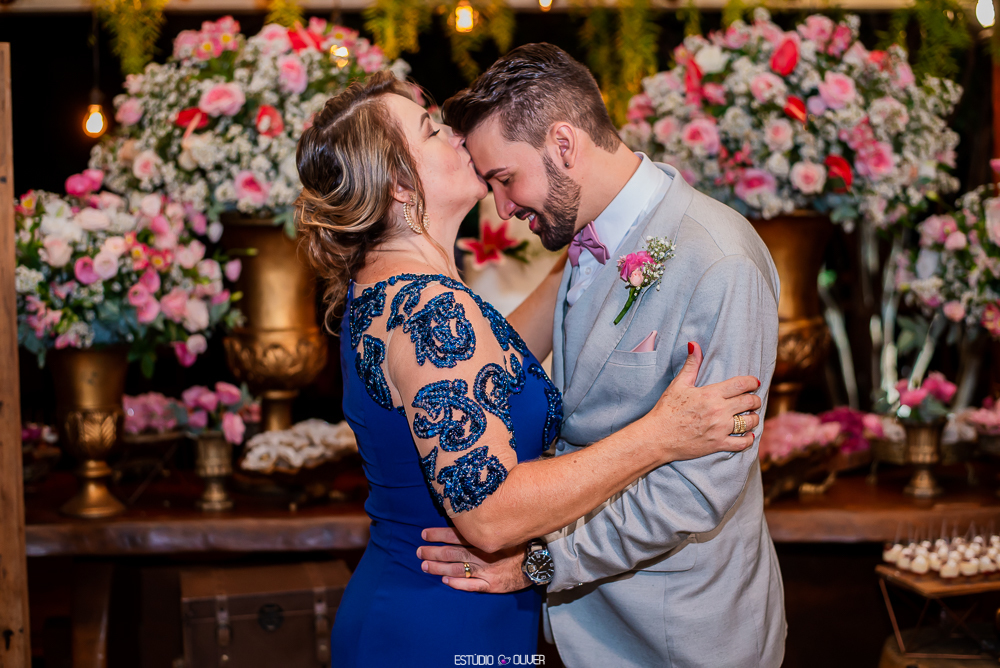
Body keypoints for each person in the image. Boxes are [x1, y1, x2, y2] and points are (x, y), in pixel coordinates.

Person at [294, 70, 764, 668]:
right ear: (399, 186)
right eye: (432, 131)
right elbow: (490, 516)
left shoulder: (390, 289)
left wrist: (593, 230)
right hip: (445, 623)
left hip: (420, 598)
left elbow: (490, 363)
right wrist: (660, 435)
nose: (456, 136)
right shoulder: (430, 308)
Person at [419, 43, 787, 667]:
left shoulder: (720, 262)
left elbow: (699, 487)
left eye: (505, 179)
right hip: (585, 627)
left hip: (680, 632)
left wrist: (540, 562)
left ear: (563, 144)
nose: (501, 208)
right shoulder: (581, 233)